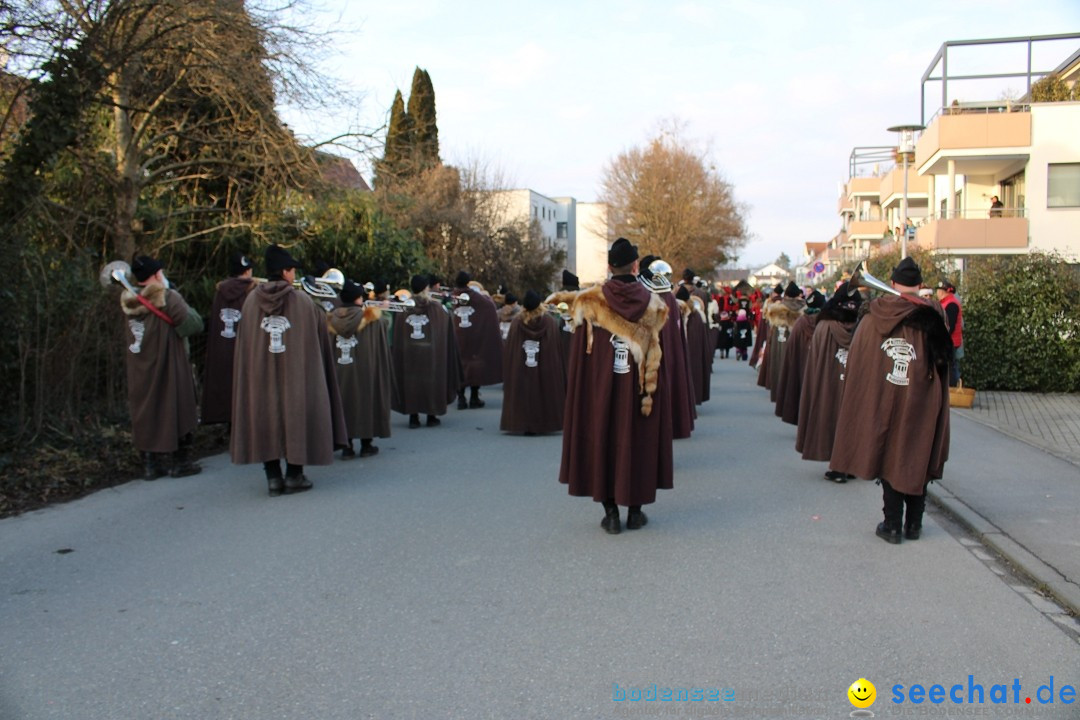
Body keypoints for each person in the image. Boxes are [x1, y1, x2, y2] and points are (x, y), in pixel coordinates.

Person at [829, 257, 952, 544]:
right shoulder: (934, 315)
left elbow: (861, 361)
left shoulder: (873, 317)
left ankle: (892, 525)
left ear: (893, 283)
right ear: (920, 286)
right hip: (923, 396)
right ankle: (914, 525)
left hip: (883, 395)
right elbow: (944, 360)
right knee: (917, 451)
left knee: (887, 452)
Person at [557, 238, 673, 535]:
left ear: (609, 266)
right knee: (638, 442)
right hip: (637, 388)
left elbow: (580, 358)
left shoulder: (588, 302)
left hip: (600, 388)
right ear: (636, 266)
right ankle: (635, 511)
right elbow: (660, 355)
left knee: (603, 440)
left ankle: (610, 514)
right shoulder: (655, 304)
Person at [230, 244, 347, 496]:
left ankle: (273, 478)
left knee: (265, 416)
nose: (293, 275)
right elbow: (318, 342)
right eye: (292, 270)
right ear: (284, 272)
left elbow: (245, 344)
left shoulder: (250, 302)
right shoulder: (303, 302)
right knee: (296, 417)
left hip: (260, 378)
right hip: (296, 376)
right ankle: (294, 475)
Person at [120, 255, 203, 480]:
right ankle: (180, 462)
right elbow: (194, 324)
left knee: (146, 410)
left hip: (140, 365)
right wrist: (175, 296)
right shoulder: (167, 297)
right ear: (157, 274)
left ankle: (150, 464)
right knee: (179, 405)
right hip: (169, 363)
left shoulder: (129, 301)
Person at [796, 283, 861, 482]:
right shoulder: (864, 327)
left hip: (829, 384)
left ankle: (837, 467)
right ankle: (850, 465)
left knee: (831, 418)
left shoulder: (824, 327)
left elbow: (815, 360)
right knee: (853, 421)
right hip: (855, 384)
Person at [328, 279, 394, 458]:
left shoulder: (329, 320)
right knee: (365, 402)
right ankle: (366, 444)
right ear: (358, 298)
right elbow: (384, 334)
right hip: (365, 370)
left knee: (343, 403)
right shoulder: (372, 319)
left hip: (339, 370)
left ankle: (346, 446)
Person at [391, 274, 462, 428]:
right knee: (431, 382)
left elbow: (399, 333)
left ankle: (413, 417)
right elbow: (445, 327)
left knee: (411, 382)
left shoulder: (404, 308)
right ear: (426, 288)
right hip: (431, 353)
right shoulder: (436, 308)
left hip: (410, 352)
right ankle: (431, 415)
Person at [500, 290, 566, 435]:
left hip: (522, 364)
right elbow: (555, 349)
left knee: (524, 389)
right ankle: (543, 422)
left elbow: (511, 349)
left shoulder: (517, 323)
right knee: (542, 389)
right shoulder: (549, 322)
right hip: (544, 366)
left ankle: (523, 422)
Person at [201, 252, 255, 426]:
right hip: (244, 348)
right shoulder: (252, 292)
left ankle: (227, 423)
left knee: (225, 384)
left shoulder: (220, 292)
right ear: (247, 271)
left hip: (222, 346)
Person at [451, 271, 503, 409]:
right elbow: (489, 306)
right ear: (468, 282)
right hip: (473, 335)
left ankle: (461, 398)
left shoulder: (452, 296)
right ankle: (474, 397)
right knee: (474, 365)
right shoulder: (474, 296)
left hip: (457, 335)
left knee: (459, 365)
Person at [774, 289, 823, 424]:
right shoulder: (825, 323)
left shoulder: (801, 322)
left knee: (802, 389)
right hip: (819, 363)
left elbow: (792, 346)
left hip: (802, 362)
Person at [936, 280, 963, 387]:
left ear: (943, 292)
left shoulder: (951, 304)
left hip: (950, 341)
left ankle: (952, 388)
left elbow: (949, 326)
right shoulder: (947, 302)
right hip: (950, 340)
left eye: (938, 290)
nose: (936, 293)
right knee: (952, 366)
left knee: (951, 367)